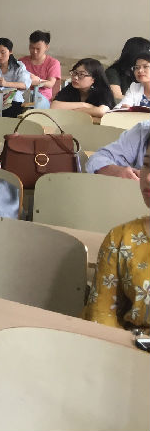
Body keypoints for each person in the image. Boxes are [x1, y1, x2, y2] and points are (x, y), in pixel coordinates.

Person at [82, 135, 150, 331]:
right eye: (146, 165)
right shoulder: (121, 239)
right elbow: (100, 316)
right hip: (129, 347)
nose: (147, 178)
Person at [0, 38, 30, 118]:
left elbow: (24, 84)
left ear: (10, 52)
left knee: (4, 115)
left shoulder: (19, 66)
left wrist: (6, 84)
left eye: (3, 52)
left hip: (12, 99)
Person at [20, 30, 61, 107]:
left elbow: (50, 83)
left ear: (46, 47)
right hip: (22, 93)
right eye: (32, 48)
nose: (34, 51)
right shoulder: (21, 62)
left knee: (36, 104)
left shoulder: (53, 63)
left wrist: (38, 81)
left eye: (38, 49)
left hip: (42, 96)